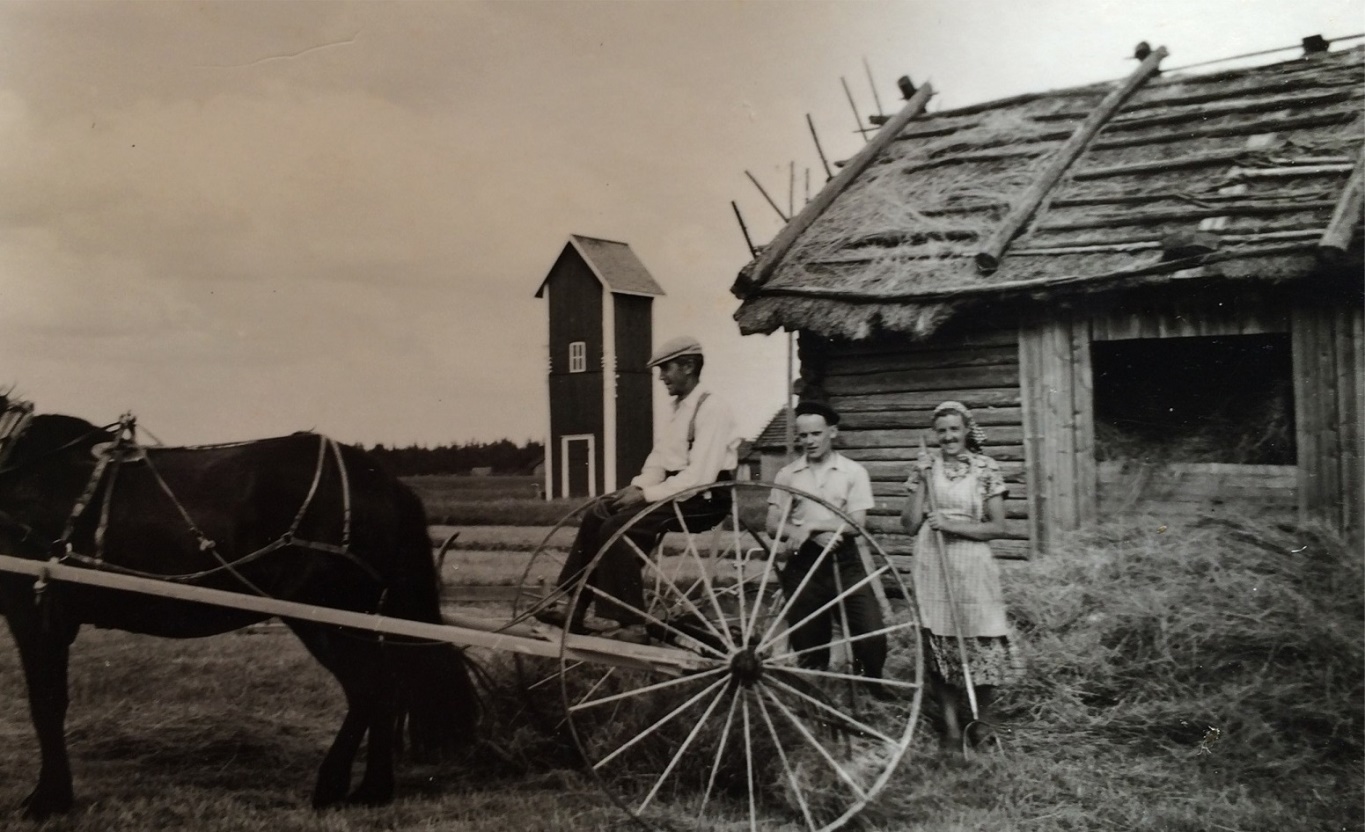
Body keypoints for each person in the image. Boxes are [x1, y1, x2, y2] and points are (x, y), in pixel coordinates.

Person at [535, 335, 739, 644]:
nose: (661, 377)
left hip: (703, 499)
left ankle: (632, 623)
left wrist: (645, 496)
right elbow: (659, 461)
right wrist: (635, 488)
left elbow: (699, 476)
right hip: (677, 492)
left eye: (665, 369)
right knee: (600, 513)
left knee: (620, 528)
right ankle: (573, 605)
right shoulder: (680, 409)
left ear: (687, 366)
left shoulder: (713, 408)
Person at [901, 401, 1022, 751]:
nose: (948, 437)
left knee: (982, 640)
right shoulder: (925, 468)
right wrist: (923, 483)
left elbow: (998, 526)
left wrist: (952, 525)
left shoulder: (986, 468)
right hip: (932, 562)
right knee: (941, 644)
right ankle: (951, 728)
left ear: (967, 430)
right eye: (942, 431)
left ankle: (981, 723)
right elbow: (909, 525)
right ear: (934, 435)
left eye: (955, 429)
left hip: (972, 563)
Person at [766, 400, 889, 696]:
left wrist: (814, 526)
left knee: (870, 629)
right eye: (803, 435)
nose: (809, 441)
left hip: (844, 560)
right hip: (804, 562)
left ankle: (869, 685)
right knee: (809, 637)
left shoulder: (853, 472)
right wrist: (803, 533)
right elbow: (772, 524)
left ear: (832, 432)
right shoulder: (788, 475)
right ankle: (817, 695)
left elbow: (857, 523)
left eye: (816, 434)